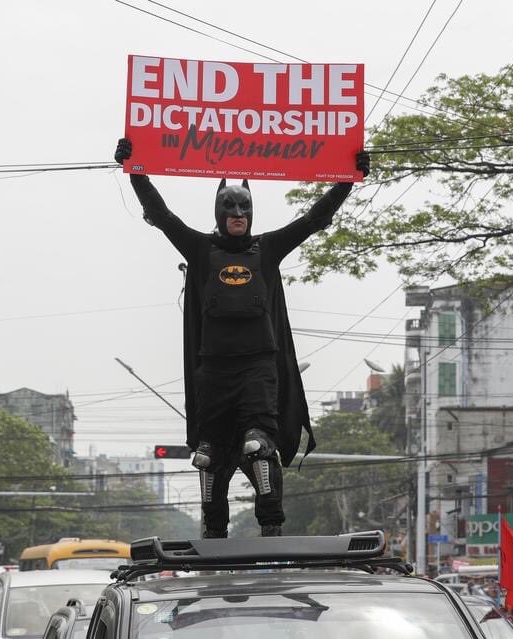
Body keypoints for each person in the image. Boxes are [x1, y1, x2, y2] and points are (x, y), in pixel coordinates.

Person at [114, 138, 368, 537]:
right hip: (213, 370)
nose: (238, 214)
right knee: (209, 456)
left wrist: (346, 181)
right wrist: (136, 171)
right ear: (219, 212)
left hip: (257, 367)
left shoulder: (267, 248)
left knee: (258, 446)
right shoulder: (200, 249)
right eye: (230, 207)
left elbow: (313, 219)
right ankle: (214, 533)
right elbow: (161, 216)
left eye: (244, 207)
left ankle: (271, 526)